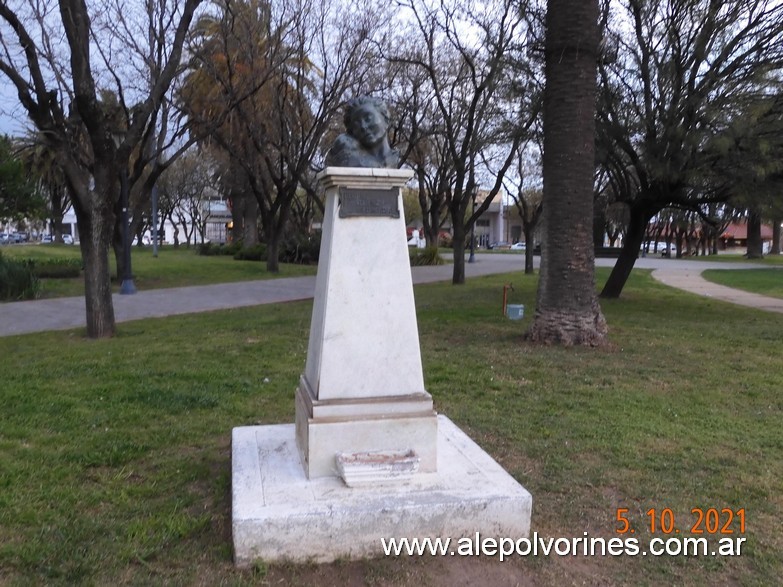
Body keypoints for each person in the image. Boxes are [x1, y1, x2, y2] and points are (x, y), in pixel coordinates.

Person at [325, 96, 399, 168]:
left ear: (386, 119)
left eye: (368, 119)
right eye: (356, 124)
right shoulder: (347, 157)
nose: (363, 126)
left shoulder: (394, 158)